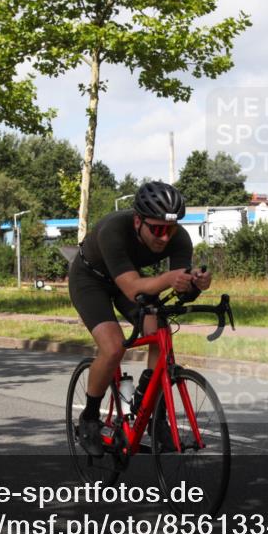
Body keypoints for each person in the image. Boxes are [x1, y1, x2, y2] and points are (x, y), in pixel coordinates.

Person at [68, 181, 211, 457]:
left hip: (128, 279)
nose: (165, 237)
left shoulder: (179, 238)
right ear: (137, 221)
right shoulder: (114, 230)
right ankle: (89, 418)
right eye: (157, 229)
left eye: (170, 229)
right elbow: (133, 288)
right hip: (91, 281)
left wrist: (194, 284)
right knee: (113, 347)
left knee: (160, 329)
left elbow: (181, 289)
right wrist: (170, 278)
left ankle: (153, 413)